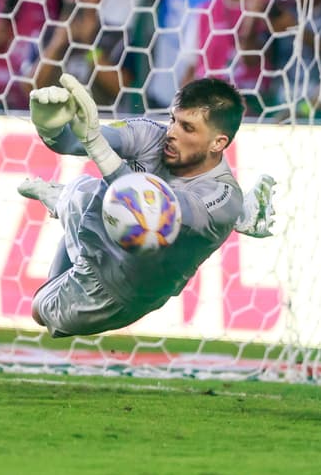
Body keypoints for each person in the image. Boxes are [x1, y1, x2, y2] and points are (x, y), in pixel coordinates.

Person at [17, 73, 275, 337]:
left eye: (187, 128)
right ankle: (67, 200)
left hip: (125, 288)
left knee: (40, 311)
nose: (172, 132)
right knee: (83, 193)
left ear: (218, 142)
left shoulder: (221, 197)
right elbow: (73, 140)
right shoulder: (153, 135)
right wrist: (49, 127)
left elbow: (146, 210)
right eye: (173, 119)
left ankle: (65, 201)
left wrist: (95, 143)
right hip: (105, 236)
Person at [180, 0, 274, 116]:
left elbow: (253, 59)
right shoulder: (204, 11)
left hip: (256, 105)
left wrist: (252, 19)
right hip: (206, 107)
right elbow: (191, 69)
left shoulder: (272, 5)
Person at [31, 0, 132, 109]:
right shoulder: (46, 32)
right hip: (52, 121)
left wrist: (89, 44)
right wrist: (56, 44)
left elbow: (120, 88)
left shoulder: (117, 37)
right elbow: (29, 88)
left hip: (100, 122)